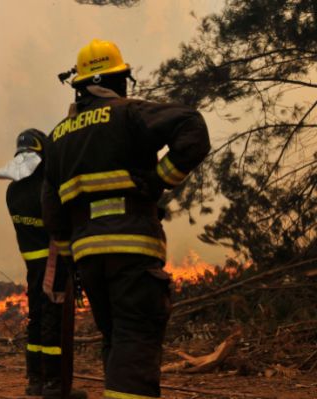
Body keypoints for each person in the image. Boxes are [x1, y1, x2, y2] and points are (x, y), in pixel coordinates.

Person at [42, 39, 210, 399]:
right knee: (136, 336)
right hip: (132, 247)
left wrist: (72, 256)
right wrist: (159, 179)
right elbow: (193, 129)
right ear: (117, 81)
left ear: (81, 86)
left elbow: (52, 209)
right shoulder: (129, 113)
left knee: (116, 338)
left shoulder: (56, 138)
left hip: (88, 259)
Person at [0, 129, 87, 399]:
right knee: (54, 321)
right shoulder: (47, 189)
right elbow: (61, 223)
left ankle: (35, 380)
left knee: (36, 319)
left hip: (33, 268)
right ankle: (55, 384)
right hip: (54, 263)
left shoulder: (13, 191)